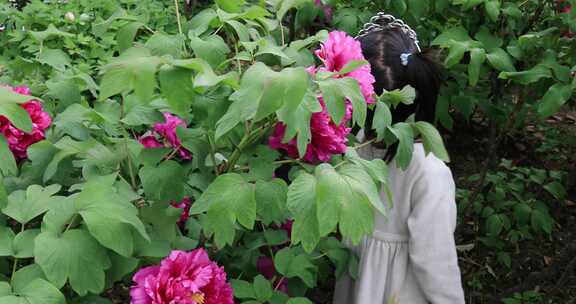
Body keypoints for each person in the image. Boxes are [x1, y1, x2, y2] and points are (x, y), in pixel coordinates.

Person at [333, 13, 466, 304]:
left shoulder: (349, 151)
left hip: (358, 283)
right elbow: (435, 258)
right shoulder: (429, 172)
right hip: (399, 291)